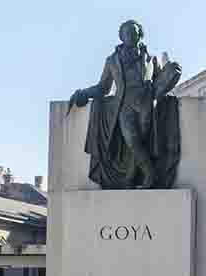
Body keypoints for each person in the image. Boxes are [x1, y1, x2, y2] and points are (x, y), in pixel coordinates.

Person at [70, 20, 182, 190]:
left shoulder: (151, 58)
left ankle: (132, 176)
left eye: (134, 32)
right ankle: (149, 174)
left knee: (142, 141)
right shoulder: (112, 61)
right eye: (127, 33)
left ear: (140, 34)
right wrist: (84, 93)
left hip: (146, 103)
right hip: (124, 105)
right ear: (121, 37)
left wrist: (171, 74)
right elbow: (103, 87)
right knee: (132, 140)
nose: (131, 35)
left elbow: (159, 81)